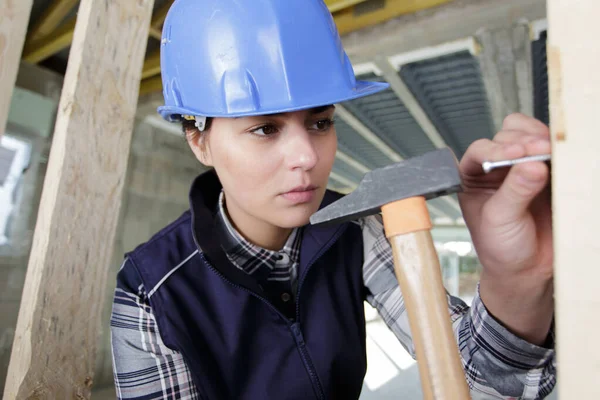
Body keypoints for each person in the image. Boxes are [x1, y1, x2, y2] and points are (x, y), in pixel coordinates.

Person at [110, 0, 555, 398]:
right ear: (198, 141)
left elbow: (474, 381)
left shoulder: (359, 230)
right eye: (266, 128)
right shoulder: (150, 289)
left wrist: (515, 281)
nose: (308, 157)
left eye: (321, 123)